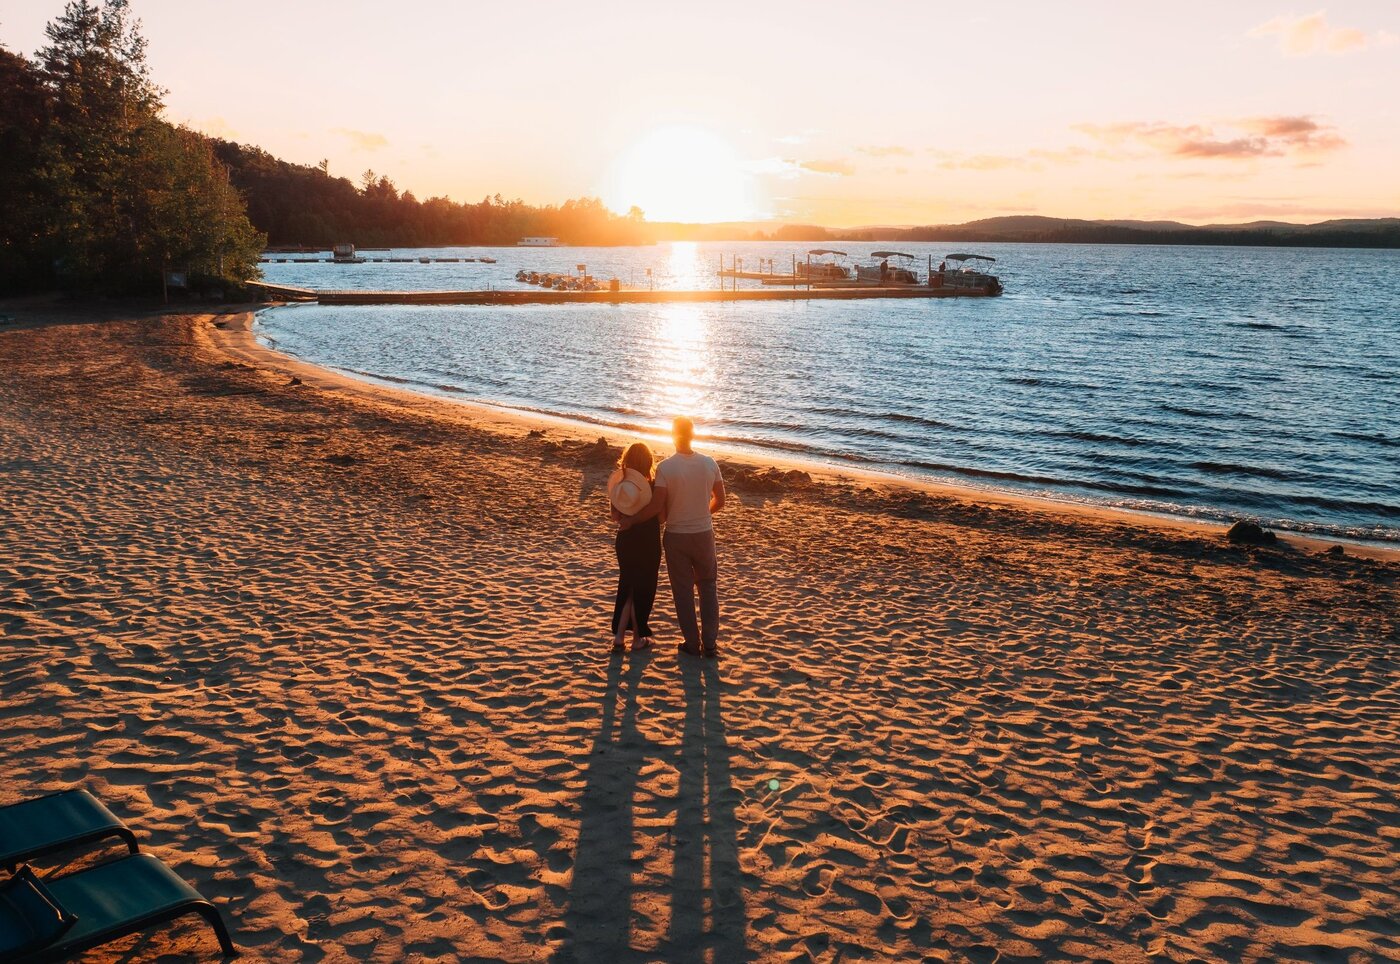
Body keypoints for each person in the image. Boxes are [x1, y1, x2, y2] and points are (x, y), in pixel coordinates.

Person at [621, 417, 726, 658]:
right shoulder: (710, 463)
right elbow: (720, 501)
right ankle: (710, 645)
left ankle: (692, 643)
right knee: (708, 587)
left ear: (672, 435)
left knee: (683, 591)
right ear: (693, 435)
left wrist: (632, 520)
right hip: (703, 535)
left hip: (677, 536)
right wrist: (700, 512)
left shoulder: (666, 468)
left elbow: (658, 507)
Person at [607, 442, 662, 653]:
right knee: (644, 589)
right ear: (648, 462)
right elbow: (662, 517)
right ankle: (638, 638)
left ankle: (619, 637)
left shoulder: (620, 487)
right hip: (647, 541)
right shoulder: (653, 486)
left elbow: (615, 517)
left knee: (627, 585)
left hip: (625, 541)